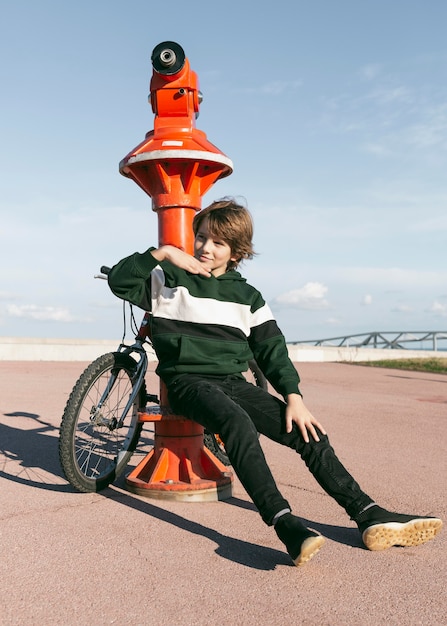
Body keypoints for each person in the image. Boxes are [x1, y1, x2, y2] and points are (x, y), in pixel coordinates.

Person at [108, 198, 442, 566]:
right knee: (236, 423)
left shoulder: (248, 297)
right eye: (201, 237)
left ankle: (367, 514)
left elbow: (271, 349)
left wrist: (294, 397)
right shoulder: (166, 279)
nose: (205, 248)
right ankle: (286, 524)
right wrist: (165, 253)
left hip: (232, 382)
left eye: (218, 243)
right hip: (187, 380)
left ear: (236, 253)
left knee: (308, 433)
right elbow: (119, 280)